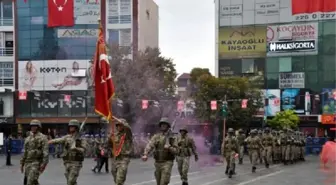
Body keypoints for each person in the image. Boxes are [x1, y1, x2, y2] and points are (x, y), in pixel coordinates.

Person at [48, 119, 86, 185]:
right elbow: (58, 140)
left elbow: (84, 150)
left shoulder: (81, 138)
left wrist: (76, 149)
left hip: (75, 163)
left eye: (73, 126)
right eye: (70, 126)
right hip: (67, 162)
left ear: (76, 127)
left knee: (70, 182)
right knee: (71, 181)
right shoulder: (67, 137)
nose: (71, 128)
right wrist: (49, 141)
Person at [142, 117, 178, 185]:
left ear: (168, 126)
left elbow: (177, 151)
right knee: (158, 183)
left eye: (165, 124)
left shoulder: (172, 137)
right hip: (158, 163)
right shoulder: (156, 136)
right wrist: (145, 154)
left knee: (164, 182)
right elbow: (150, 145)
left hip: (167, 162)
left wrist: (169, 147)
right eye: (162, 124)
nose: (163, 126)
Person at [20, 119, 49, 185]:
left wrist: (43, 164)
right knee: (33, 181)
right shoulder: (28, 138)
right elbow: (24, 151)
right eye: (32, 126)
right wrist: (22, 164)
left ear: (38, 127)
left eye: (35, 126)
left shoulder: (43, 138)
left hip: (36, 162)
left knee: (30, 182)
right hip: (27, 163)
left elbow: (45, 152)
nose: (33, 127)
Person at [109, 118, 133, 185]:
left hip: (124, 159)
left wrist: (121, 121)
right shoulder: (115, 135)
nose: (119, 127)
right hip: (115, 159)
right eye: (118, 125)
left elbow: (128, 128)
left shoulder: (127, 134)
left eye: (121, 125)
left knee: (119, 180)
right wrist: (109, 137)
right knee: (115, 178)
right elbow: (109, 145)